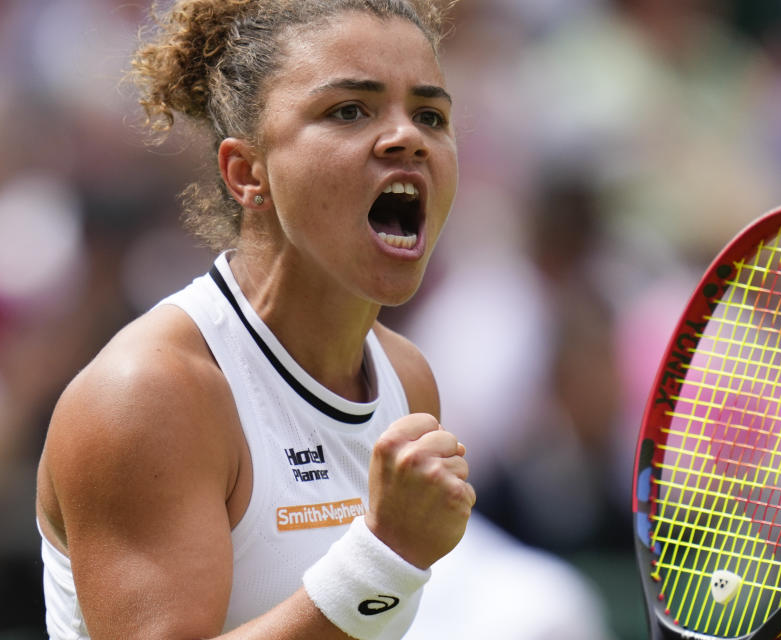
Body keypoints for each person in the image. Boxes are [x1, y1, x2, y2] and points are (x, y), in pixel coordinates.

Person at [34, 1, 474, 638]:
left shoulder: (408, 380)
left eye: (431, 115)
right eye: (348, 110)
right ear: (247, 173)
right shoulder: (150, 394)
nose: (407, 136)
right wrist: (386, 555)